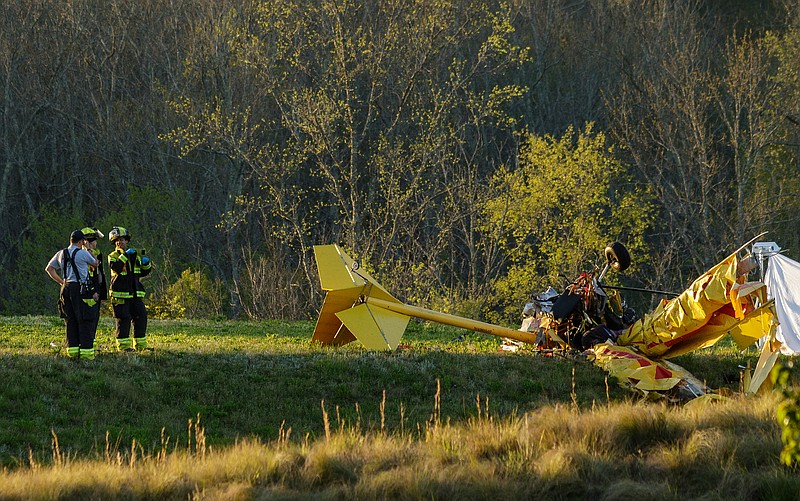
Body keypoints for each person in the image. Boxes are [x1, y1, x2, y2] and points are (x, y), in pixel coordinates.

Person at [45, 229, 101, 360]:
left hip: (66, 287)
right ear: (81, 241)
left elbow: (49, 269)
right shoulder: (82, 253)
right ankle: (87, 353)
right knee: (83, 318)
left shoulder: (61, 253)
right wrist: (88, 249)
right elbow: (95, 263)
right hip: (80, 288)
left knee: (70, 319)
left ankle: (73, 351)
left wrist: (61, 282)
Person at [107, 226, 153, 351]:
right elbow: (116, 267)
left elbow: (143, 272)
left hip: (135, 294)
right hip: (120, 294)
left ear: (126, 240)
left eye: (121, 239)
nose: (119, 242)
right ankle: (123, 347)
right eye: (116, 241)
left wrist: (146, 264)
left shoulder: (135, 256)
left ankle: (141, 346)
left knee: (141, 317)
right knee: (123, 320)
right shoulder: (113, 256)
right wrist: (125, 256)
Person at [81, 227, 108, 343]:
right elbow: (93, 265)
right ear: (88, 241)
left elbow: (99, 270)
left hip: (96, 287)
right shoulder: (81, 254)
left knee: (95, 317)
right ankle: (86, 342)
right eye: (95, 240)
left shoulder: (97, 253)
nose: (96, 243)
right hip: (87, 289)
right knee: (87, 317)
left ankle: (92, 341)